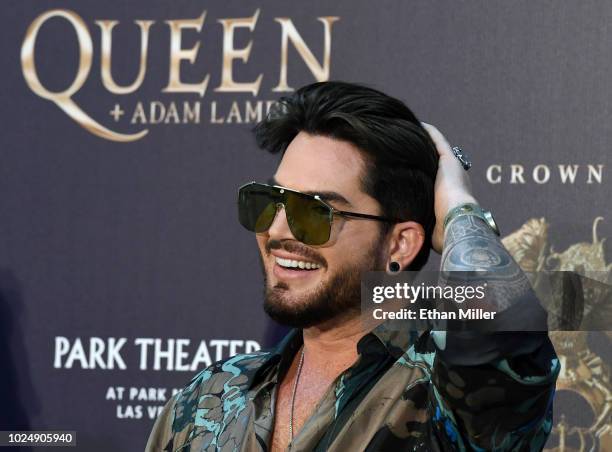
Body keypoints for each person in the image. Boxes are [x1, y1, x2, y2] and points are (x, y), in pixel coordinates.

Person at [145, 81, 558, 451]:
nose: (277, 230)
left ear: (400, 243)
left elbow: (506, 324)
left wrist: (458, 209)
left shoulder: (448, 395)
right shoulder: (210, 398)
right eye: (271, 201)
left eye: (316, 211)